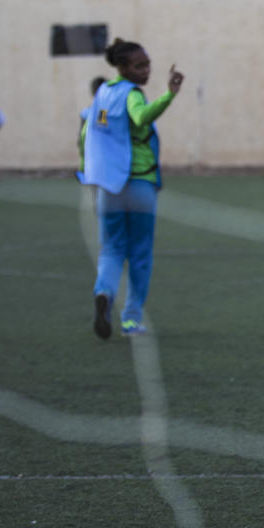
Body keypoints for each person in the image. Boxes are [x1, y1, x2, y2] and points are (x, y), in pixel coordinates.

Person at [79, 38, 184, 339]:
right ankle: (130, 319)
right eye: (139, 65)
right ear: (123, 68)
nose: (146, 70)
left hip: (109, 186)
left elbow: (87, 133)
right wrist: (170, 94)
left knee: (111, 250)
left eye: (148, 63)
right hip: (139, 184)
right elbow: (141, 116)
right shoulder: (132, 94)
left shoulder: (103, 93)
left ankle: (104, 293)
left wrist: (90, 175)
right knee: (139, 254)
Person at [77, 76, 107, 173]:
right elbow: (101, 134)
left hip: (89, 159)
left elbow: (80, 138)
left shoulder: (86, 112)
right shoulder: (102, 111)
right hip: (99, 159)